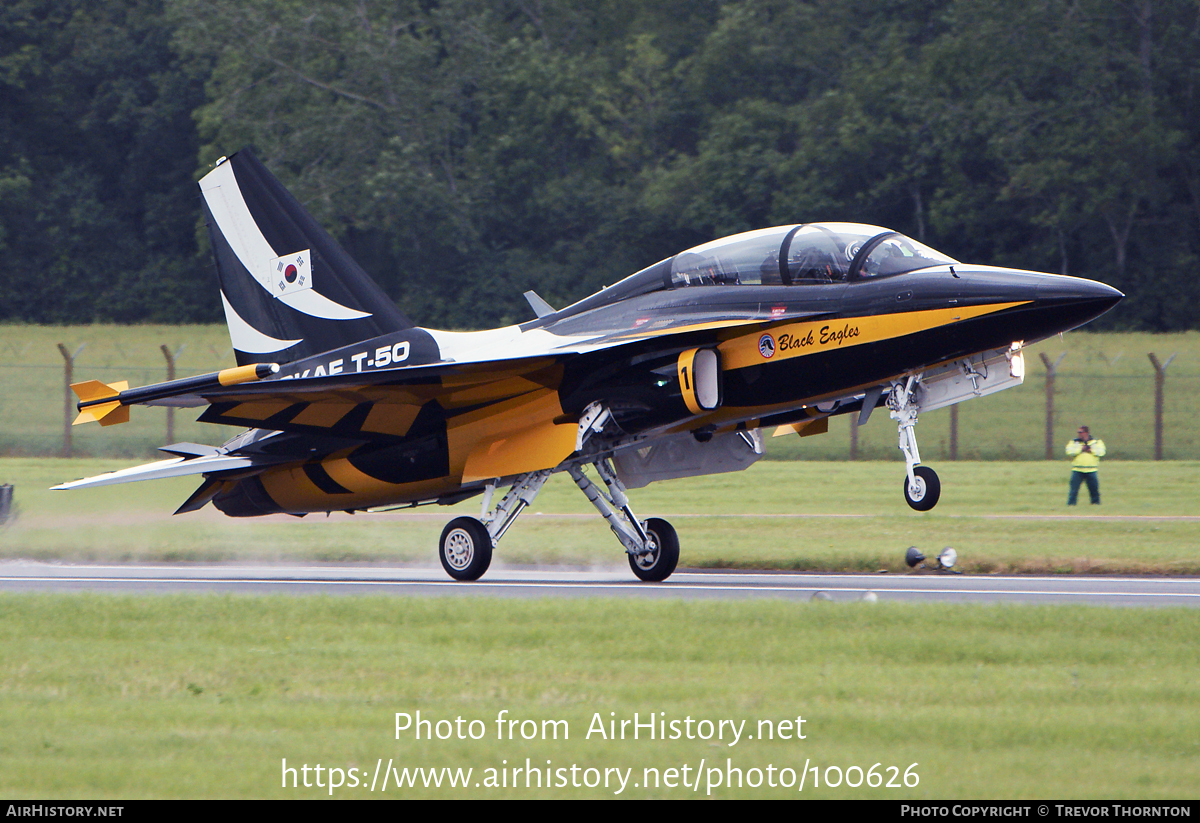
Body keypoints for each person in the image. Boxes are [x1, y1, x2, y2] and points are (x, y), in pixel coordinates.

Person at [1066, 425, 1106, 505]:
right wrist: (1081, 449)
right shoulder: (1074, 442)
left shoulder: (1096, 442)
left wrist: (1091, 450)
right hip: (1077, 469)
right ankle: (1071, 504)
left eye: (1081, 432)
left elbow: (1101, 452)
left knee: (1094, 489)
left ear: (1086, 432)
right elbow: (1069, 452)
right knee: (1073, 490)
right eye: (1078, 432)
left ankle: (1095, 504)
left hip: (1091, 470)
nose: (1079, 434)